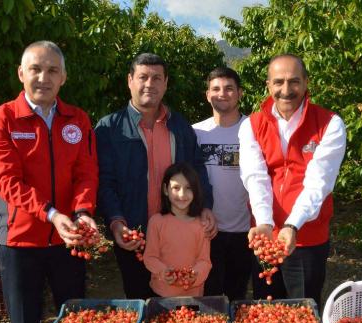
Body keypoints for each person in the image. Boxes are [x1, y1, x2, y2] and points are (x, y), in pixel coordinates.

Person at [0, 41, 98, 323]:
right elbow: (6, 181)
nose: (43, 77)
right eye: (35, 69)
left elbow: (86, 172)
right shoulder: (2, 119)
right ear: (21, 74)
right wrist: (50, 213)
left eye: (51, 71)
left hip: (69, 241)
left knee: (74, 319)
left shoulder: (77, 119)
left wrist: (81, 212)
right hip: (20, 242)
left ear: (63, 77)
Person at [95, 53, 215, 300]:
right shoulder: (109, 128)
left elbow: (197, 170)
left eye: (157, 78)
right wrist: (116, 221)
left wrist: (205, 208)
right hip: (133, 232)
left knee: (180, 298)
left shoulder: (180, 126)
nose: (150, 84)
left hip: (177, 232)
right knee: (140, 300)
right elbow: (104, 181)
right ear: (130, 80)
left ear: (166, 83)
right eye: (143, 77)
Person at [238, 54, 347, 308]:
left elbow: (319, 182)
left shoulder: (330, 124)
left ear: (306, 82)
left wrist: (292, 225)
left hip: (308, 236)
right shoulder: (252, 125)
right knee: (267, 307)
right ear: (268, 85)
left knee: (304, 309)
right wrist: (265, 222)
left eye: (294, 81)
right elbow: (256, 177)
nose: (286, 90)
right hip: (266, 236)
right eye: (278, 82)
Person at [192, 67, 254, 301]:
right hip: (208, 230)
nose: (222, 93)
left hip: (245, 230)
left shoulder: (253, 129)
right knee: (210, 295)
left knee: (238, 294)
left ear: (239, 93)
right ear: (207, 94)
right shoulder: (196, 132)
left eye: (229, 88)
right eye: (216, 88)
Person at [143, 162, 211, 297]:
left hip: (193, 295)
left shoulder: (201, 225)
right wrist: (164, 272)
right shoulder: (156, 222)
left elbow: (204, 261)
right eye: (176, 188)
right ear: (165, 190)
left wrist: (195, 275)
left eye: (188, 188)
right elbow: (150, 257)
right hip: (161, 293)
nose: (182, 194)